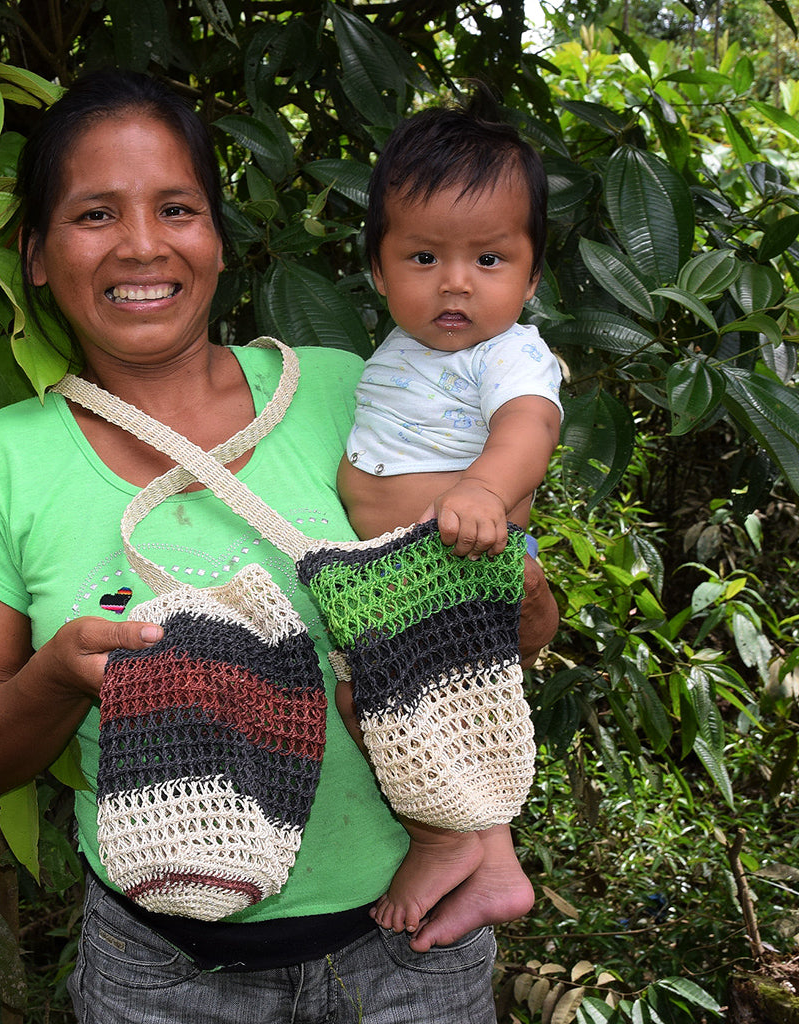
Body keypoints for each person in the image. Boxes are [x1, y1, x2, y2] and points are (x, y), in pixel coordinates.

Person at [0, 69, 558, 1023]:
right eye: (94, 215)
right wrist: (57, 679)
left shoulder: (354, 392)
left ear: (216, 236)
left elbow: (504, 631)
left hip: (411, 953)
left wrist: (521, 591)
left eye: (176, 207)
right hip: (163, 977)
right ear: (36, 253)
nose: (141, 244)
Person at [336, 98, 563, 942]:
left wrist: (482, 492)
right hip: (402, 576)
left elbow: (529, 428)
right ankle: (496, 867)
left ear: (532, 276)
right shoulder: (398, 351)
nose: (456, 282)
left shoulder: (508, 353)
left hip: (459, 558)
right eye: (424, 256)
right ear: (380, 270)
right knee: (445, 713)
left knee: (375, 702)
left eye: (490, 258)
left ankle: (439, 842)